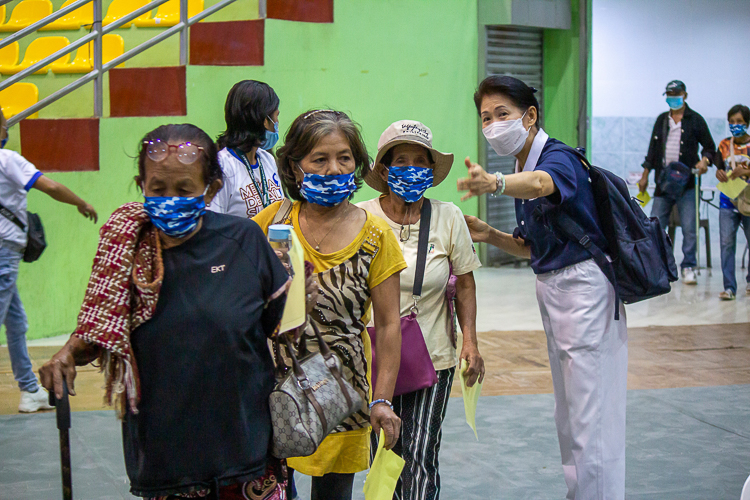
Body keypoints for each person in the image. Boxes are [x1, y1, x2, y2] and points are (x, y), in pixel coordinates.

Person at [39, 124, 308, 499]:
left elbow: (280, 328)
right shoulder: (125, 250)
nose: (170, 198)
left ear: (211, 189)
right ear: (142, 185)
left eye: (184, 190)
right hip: (166, 456)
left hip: (245, 450)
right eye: (158, 189)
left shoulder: (243, 240)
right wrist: (67, 353)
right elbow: (101, 329)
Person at [457, 76, 628, 500]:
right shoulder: (521, 164)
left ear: (530, 116)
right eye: (485, 118)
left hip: (585, 289)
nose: (493, 125)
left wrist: (493, 184)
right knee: (568, 416)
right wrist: (488, 234)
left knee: (591, 414)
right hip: (553, 287)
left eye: (503, 114)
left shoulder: (557, 158)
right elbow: (532, 247)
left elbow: (541, 184)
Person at [253, 109, 405, 500]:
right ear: (294, 166)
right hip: (272, 387)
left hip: (341, 391)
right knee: (269, 490)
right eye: (319, 159)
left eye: (344, 158)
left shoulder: (375, 236)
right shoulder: (270, 225)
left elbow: (388, 325)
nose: (334, 169)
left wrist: (383, 399)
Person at [357, 119, 484, 500]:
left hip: (434, 356)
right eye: (401, 161)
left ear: (430, 172)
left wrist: (471, 343)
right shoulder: (361, 217)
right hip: (371, 357)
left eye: (420, 162)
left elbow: (464, 283)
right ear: (383, 169)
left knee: (419, 454)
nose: (411, 169)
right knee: (379, 451)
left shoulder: (448, 218)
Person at [0, 108, 97, 413]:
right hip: (5, 251)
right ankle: (29, 390)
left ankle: (30, 391)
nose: (7, 128)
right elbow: (50, 186)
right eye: (4, 123)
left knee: (16, 322)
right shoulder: (8, 160)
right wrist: (80, 202)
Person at [637, 80, 716, 285]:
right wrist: (645, 175)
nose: (673, 98)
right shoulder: (662, 120)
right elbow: (652, 152)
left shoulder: (695, 120)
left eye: (676, 94)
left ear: (685, 95)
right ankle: (655, 265)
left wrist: (704, 161)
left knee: (690, 226)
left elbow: (709, 147)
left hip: (687, 183)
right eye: (669, 94)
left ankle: (688, 266)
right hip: (663, 183)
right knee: (654, 224)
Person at [209, 80, 284, 218]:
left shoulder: (267, 159)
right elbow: (214, 224)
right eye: (276, 115)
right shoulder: (222, 166)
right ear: (263, 120)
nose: (277, 123)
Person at [715, 104, 750, 300]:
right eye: (732, 121)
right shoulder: (724, 145)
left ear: (747, 123)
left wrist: (746, 171)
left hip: (749, 202)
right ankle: (729, 287)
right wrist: (719, 173)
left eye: (739, 122)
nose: (735, 125)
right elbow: (720, 169)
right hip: (728, 201)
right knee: (727, 243)